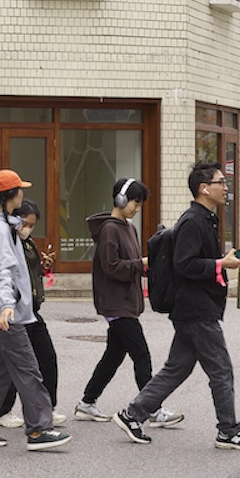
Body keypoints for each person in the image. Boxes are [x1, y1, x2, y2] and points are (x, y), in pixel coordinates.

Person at [113, 161, 240, 450]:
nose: (226, 187)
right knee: (221, 370)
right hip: (195, 310)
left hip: (194, 308)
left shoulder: (205, 218)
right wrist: (221, 263)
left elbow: (197, 260)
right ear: (204, 188)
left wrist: (225, 260)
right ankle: (228, 431)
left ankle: (132, 415)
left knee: (177, 368)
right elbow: (184, 264)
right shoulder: (193, 221)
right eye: (221, 182)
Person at [0, 170, 71, 451]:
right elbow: (3, 269)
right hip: (5, 313)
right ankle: (38, 430)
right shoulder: (0, 229)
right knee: (28, 368)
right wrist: (7, 305)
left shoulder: (1, 226)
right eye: (20, 189)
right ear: (11, 195)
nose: (23, 193)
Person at [75, 178, 183, 428]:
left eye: (139, 204)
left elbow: (130, 264)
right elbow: (111, 267)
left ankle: (87, 402)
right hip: (116, 303)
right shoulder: (110, 230)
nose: (137, 208)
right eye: (134, 202)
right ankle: (152, 409)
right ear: (120, 199)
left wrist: (148, 266)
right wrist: (142, 263)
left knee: (113, 356)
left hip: (125, 302)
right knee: (141, 355)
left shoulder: (128, 228)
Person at [0, 199, 66, 427]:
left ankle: (47, 408)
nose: (27, 229)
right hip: (14, 311)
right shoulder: (7, 240)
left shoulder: (27, 242)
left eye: (32, 225)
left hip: (31, 310)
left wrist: (43, 266)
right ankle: (3, 411)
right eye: (25, 223)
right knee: (15, 365)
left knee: (47, 358)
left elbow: (29, 274)